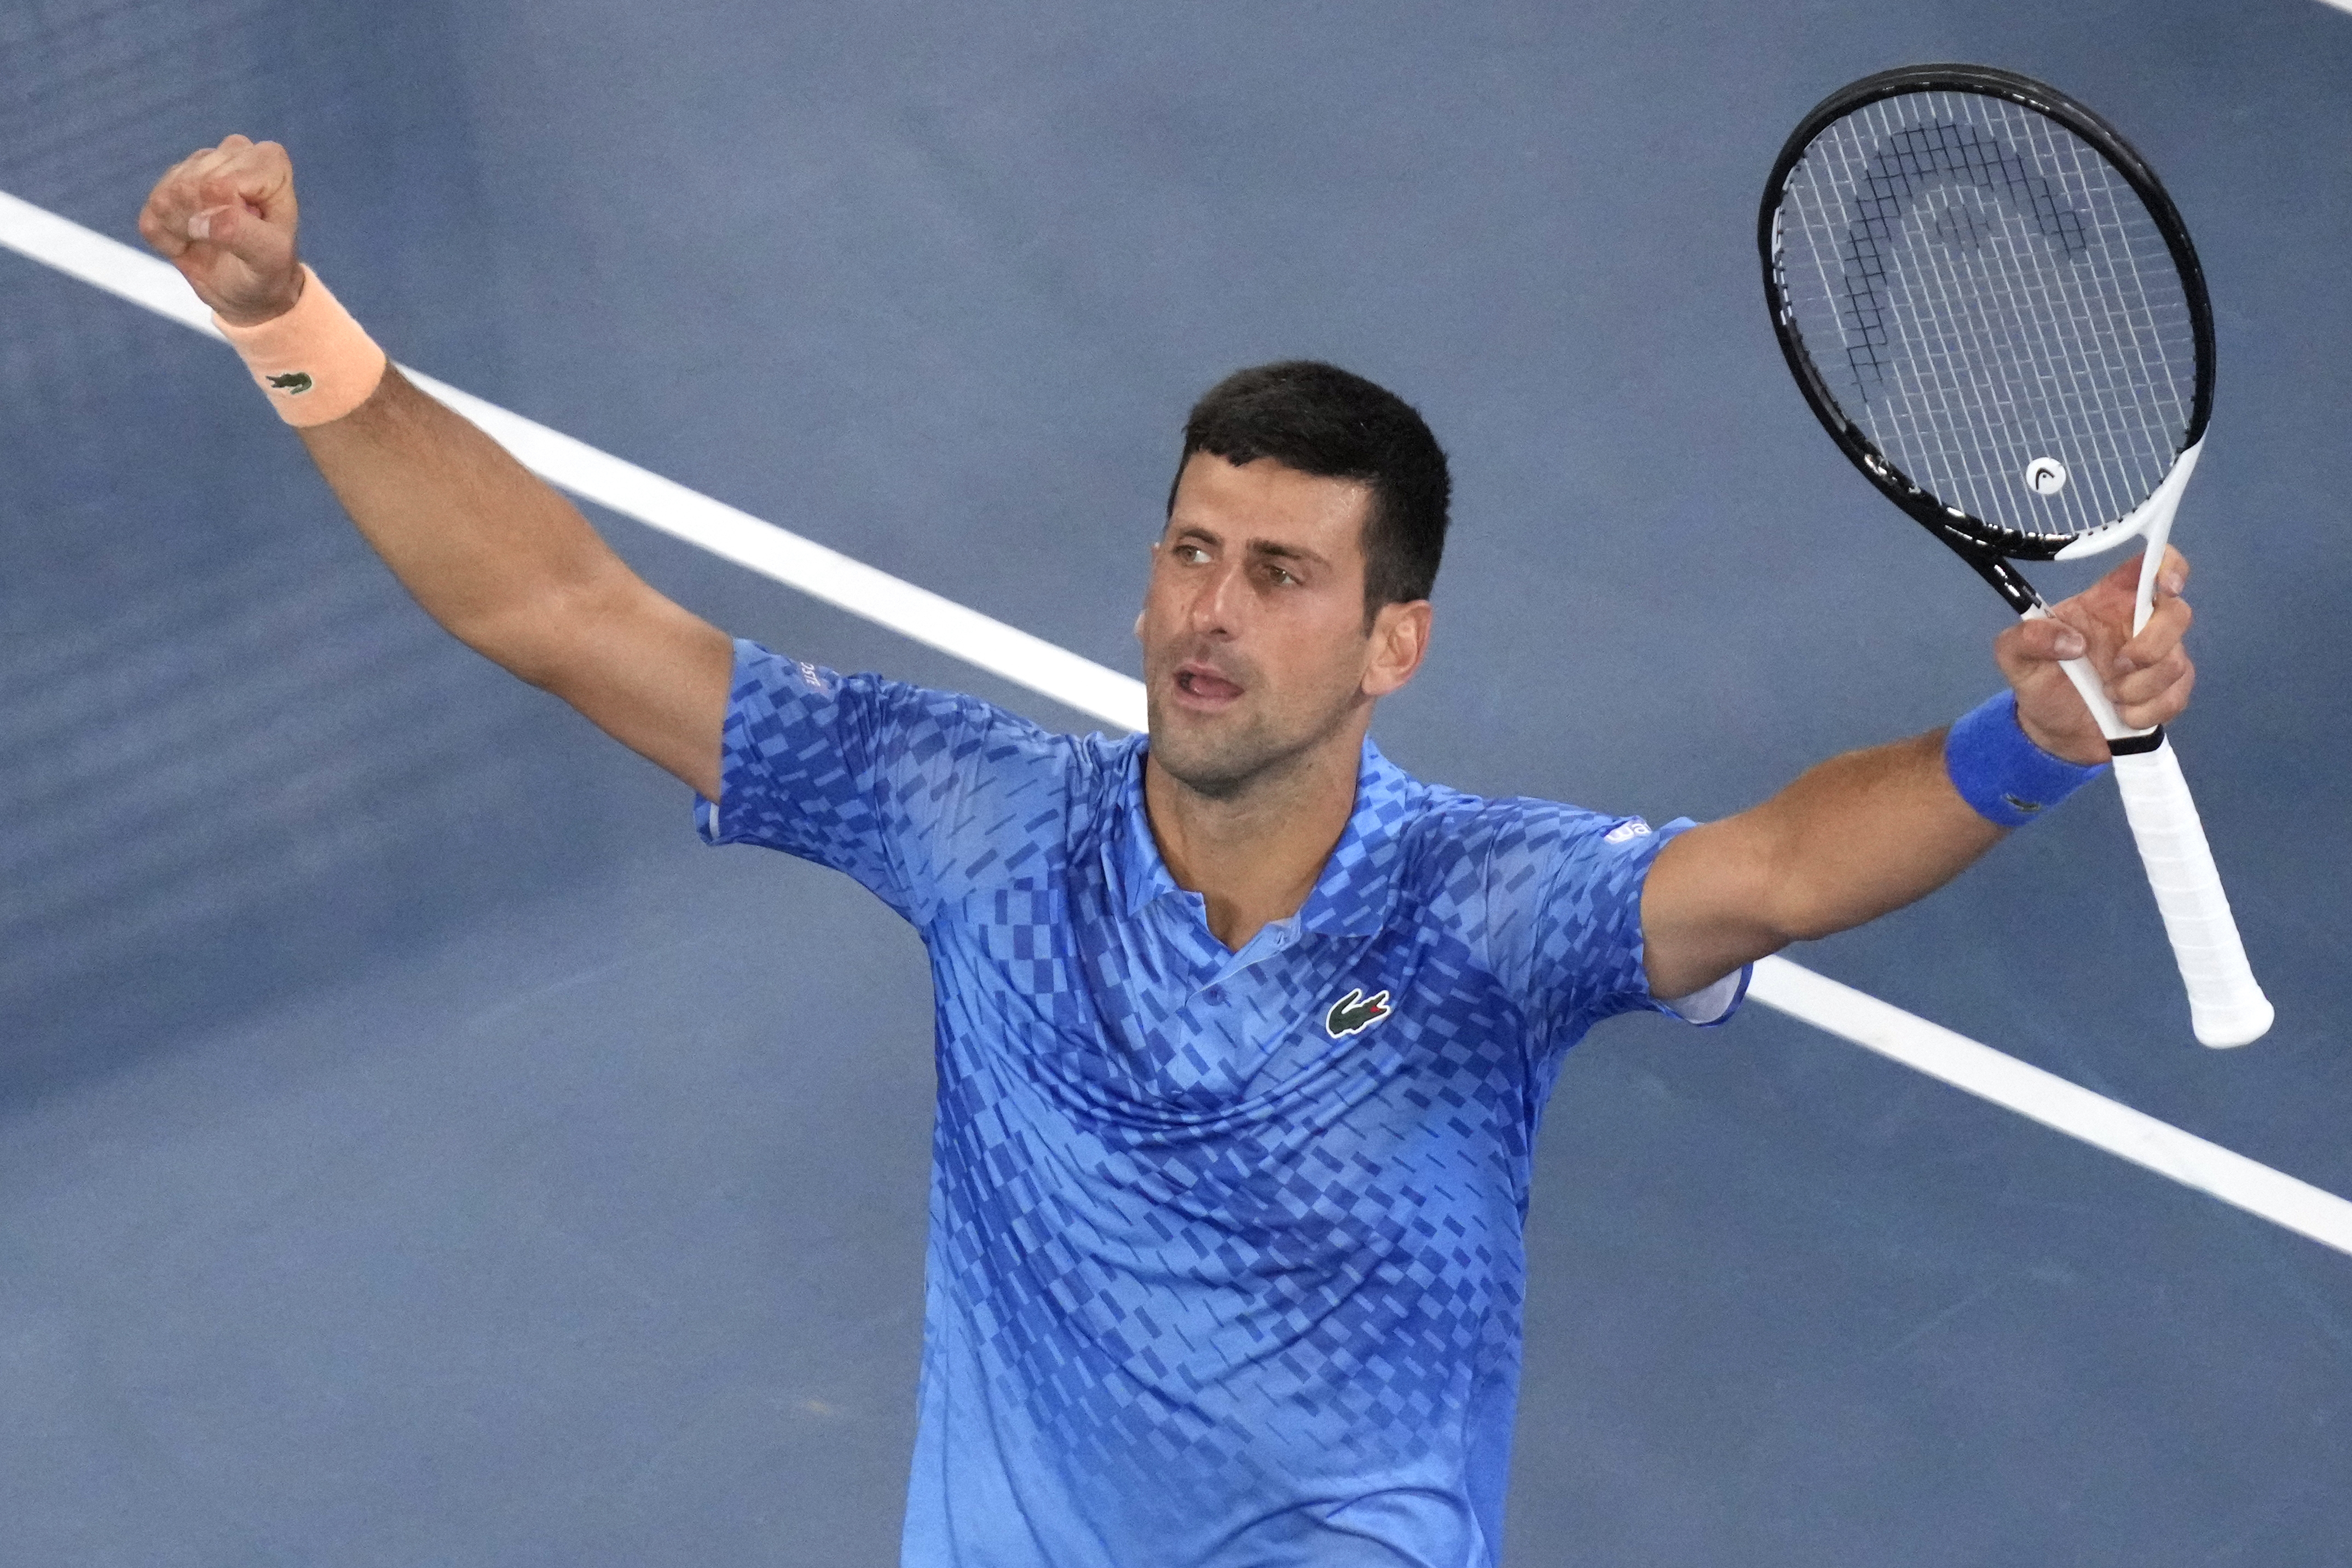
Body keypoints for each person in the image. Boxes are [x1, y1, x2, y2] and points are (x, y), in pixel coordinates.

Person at [138, 137, 2197, 1567]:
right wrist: (289, 320)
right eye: (1192, 549)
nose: (1212, 610)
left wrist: (2020, 743)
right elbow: (568, 618)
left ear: (1394, 640)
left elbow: (1773, 868)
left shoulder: (1482, 910)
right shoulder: (974, 816)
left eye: (1283, 573)